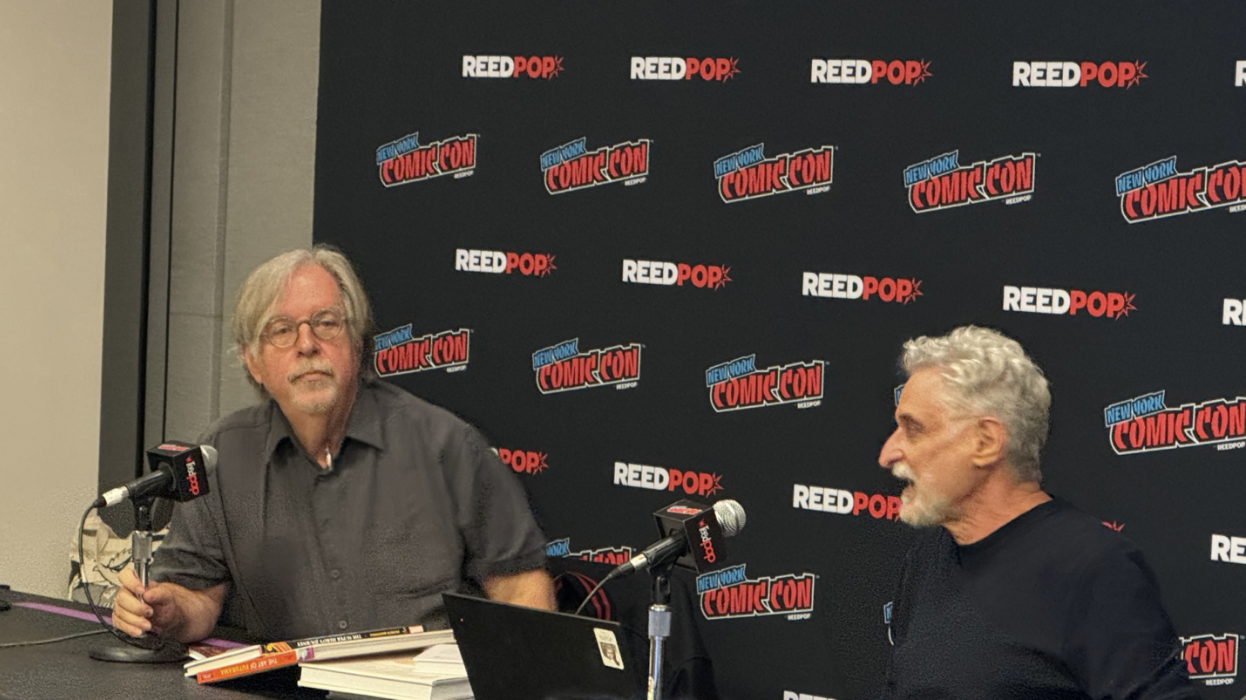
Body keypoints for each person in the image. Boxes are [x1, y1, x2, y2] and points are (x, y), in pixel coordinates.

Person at [111, 246, 555, 643]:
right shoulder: (222, 457)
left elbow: (520, 589)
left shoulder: (447, 447)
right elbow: (200, 600)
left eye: (326, 324)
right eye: (281, 330)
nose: (307, 344)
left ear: (357, 343)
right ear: (253, 361)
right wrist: (165, 609)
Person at [877, 326, 1198, 699]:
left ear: (985, 443)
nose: (889, 453)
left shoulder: (1094, 568)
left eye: (913, 430)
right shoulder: (928, 557)